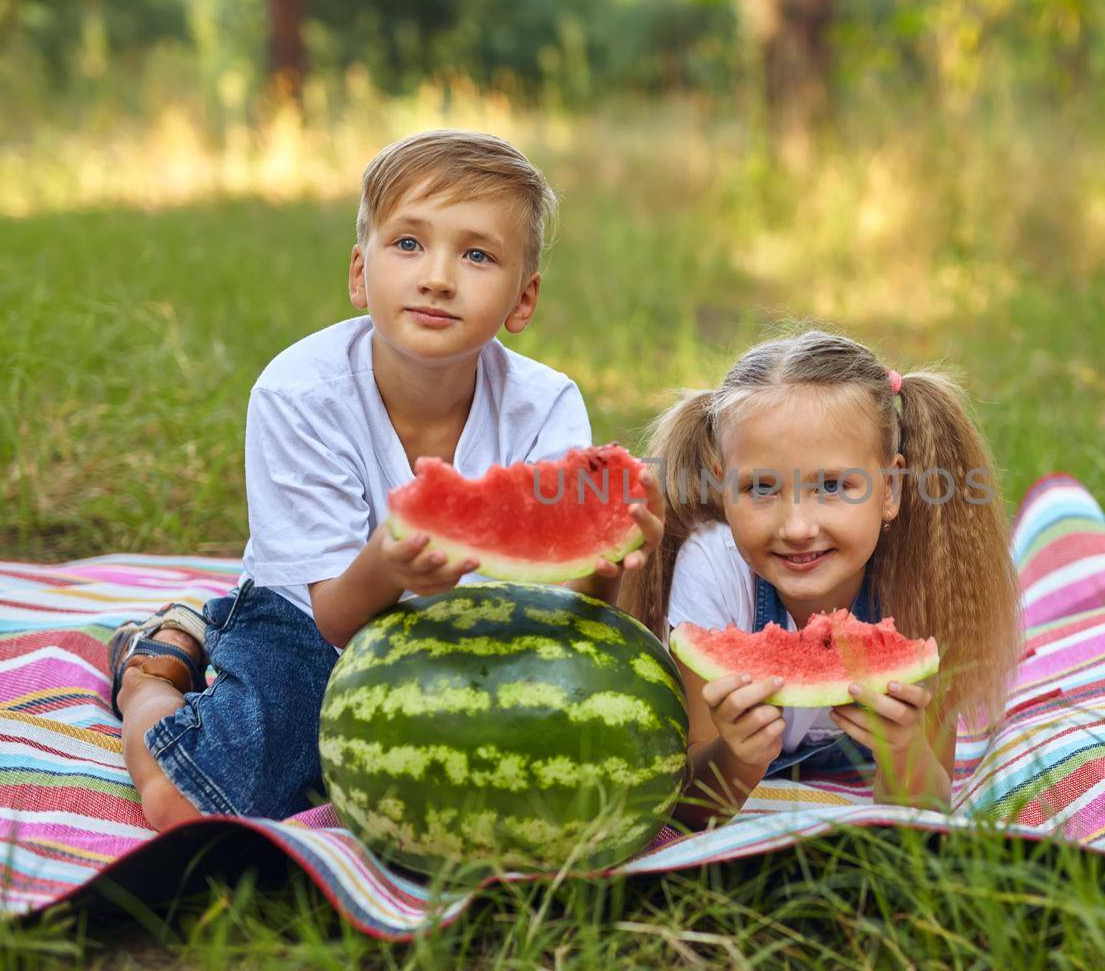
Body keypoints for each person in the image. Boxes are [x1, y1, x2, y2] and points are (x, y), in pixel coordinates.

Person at [108, 129, 663, 831]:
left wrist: (605, 563)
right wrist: (387, 563)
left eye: (477, 254)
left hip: (480, 640)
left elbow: (564, 614)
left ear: (523, 301)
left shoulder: (547, 405)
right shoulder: (299, 393)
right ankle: (152, 670)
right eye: (408, 244)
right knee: (190, 806)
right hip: (309, 618)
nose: (437, 275)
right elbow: (338, 615)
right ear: (358, 273)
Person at [620, 329, 1017, 826]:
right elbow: (688, 811)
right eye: (760, 488)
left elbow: (931, 808)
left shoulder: (919, 576)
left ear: (890, 488)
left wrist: (904, 751)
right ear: (723, 487)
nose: (798, 528)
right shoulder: (714, 568)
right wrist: (738, 756)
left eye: (832, 486)